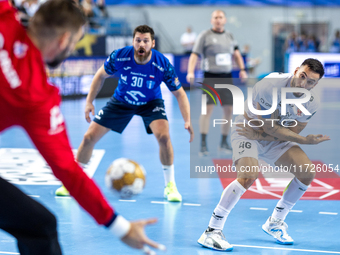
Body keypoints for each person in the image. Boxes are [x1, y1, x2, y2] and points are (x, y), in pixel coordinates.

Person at [0, 1, 165, 254]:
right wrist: (120, 226)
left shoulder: (4, 15)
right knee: (41, 228)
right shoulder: (35, 96)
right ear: (64, 39)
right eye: (75, 42)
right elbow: (70, 172)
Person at [197, 58, 330, 251]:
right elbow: (268, 126)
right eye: (302, 76)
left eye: (311, 82)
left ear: (316, 84)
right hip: (247, 131)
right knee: (249, 175)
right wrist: (303, 140)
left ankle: (275, 223)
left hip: (273, 139)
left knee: (307, 172)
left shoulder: (311, 103)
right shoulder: (270, 85)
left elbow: (294, 129)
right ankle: (212, 231)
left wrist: (282, 133)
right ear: (295, 71)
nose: (304, 84)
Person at [55, 25, 194, 202]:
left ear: (152, 43)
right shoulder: (120, 56)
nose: (141, 44)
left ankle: (170, 186)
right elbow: (100, 75)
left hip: (150, 103)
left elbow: (180, 93)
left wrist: (187, 119)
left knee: (164, 138)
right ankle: (72, 182)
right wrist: (89, 101)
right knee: (89, 137)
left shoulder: (162, 64)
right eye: (138, 40)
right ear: (133, 42)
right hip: (121, 101)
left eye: (145, 41)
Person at [186, 10, 247, 156]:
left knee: (229, 110)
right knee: (207, 110)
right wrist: (190, 71)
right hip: (210, 77)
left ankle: (224, 143)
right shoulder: (205, 36)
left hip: (226, 77)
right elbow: (194, 55)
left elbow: (237, 54)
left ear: (225, 20)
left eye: (220, 17)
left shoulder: (229, 36)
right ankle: (203, 144)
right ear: (211, 20)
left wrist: (242, 69)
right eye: (215, 18)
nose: (218, 20)